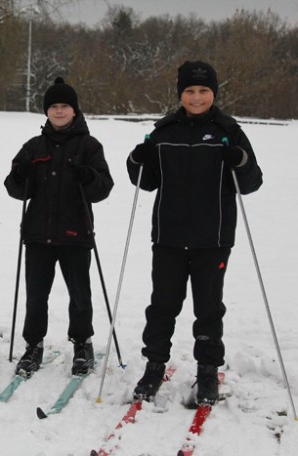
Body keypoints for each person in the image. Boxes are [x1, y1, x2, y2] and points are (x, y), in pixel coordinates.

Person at [127, 61, 263, 405]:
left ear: (213, 93)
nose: (197, 97)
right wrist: (137, 159)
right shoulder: (164, 131)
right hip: (169, 236)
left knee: (208, 307)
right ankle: (155, 365)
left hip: (212, 239)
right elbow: (146, 181)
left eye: (203, 91)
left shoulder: (228, 130)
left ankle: (206, 371)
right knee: (162, 305)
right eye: (190, 91)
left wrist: (240, 159)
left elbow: (251, 182)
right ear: (180, 94)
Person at [4, 77, 114, 378]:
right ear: (47, 111)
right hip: (38, 234)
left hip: (75, 233)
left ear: (75, 111)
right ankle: (33, 345)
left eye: (65, 106)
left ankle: (82, 343)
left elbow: (104, 188)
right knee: (36, 294)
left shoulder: (89, 146)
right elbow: (14, 188)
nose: (59, 111)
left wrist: (88, 176)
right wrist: (20, 175)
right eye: (54, 106)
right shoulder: (34, 145)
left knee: (80, 294)